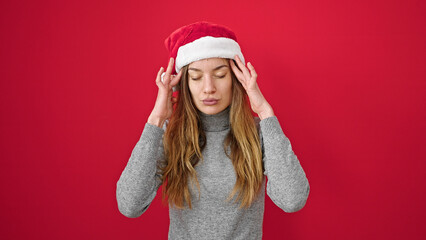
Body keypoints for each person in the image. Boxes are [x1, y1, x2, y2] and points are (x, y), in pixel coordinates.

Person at [116, 21, 310, 240]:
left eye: (220, 75)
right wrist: (156, 119)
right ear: (184, 84)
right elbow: (129, 204)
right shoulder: (170, 134)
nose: (209, 87)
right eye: (196, 77)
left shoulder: (259, 133)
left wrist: (265, 112)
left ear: (236, 79)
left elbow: (292, 199)